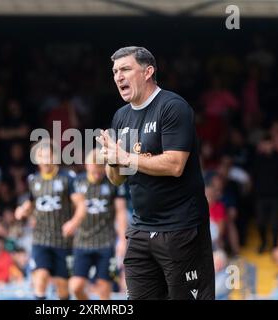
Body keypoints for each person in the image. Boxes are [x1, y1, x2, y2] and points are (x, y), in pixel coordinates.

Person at [97, 46, 215, 300]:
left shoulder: (173, 107)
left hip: (180, 229)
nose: (118, 76)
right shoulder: (121, 117)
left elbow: (175, 165)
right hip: (140, 229)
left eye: (126, 69)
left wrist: (126, 157)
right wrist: (112, 160)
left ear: (148, 71)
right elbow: (116, 179)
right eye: (115, 71)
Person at [15, 139, 86, 300]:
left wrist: (73, 222)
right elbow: (31, 203)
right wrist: (22, 210)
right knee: (40, 277)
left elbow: (81, 205)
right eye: (41, 156)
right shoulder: (33, 179)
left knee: (62, 288)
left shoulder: (68, 177)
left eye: (48, 156)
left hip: (63, 241)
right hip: (41, 239)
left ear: (55, 157)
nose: (45, 160)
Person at [69, 149, 128, 300]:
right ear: (87, 165)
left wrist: (122, 239)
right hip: (82, 241)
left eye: (100, 171)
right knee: (75, 287)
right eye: (94, 171)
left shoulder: (113, 182)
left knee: (104, 289)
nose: (97, 175)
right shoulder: (77, 182)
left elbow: (121, 211)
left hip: (106, 243)